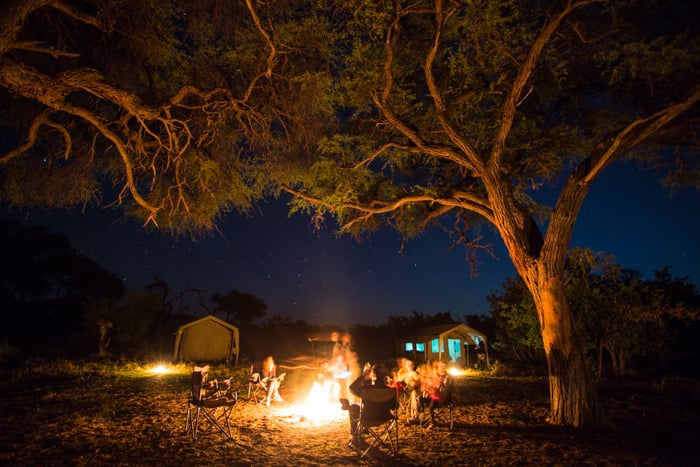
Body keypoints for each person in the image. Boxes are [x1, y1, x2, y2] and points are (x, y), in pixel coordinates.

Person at [342, 363, 393, 449]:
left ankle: (354, 435)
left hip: (368, 418)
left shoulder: (366, 389)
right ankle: (363, 431)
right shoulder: (390, 391)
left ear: (373, 375)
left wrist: (363, 376)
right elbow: (395, 407)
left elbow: (351, 388)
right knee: (356, 407)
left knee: (353, 407)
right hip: (385, 417)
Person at [418, 361, 452, 427]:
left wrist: (434, 389)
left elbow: (444, 390)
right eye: (440, 367)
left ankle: (432, 422)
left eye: (443, 367)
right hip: (433, 395)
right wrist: (427, 390)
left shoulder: (447, 377)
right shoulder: (435, 375)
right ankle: (421, 413)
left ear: (445, 368)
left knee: (432, 400)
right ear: (438, 367)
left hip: (442, 398)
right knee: (420, 397)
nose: (442, 368)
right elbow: (429, 385)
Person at [394, 358, 420, 423]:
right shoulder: (406, 374)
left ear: (413, 366)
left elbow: (418, 380)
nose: (409, 367)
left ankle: (415, 417)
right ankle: (414, 416)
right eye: (407, 365)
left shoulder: (414, 373)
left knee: (415, 400)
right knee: (413, 401)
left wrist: (413, 381)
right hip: (410, 390)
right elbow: (398, 379)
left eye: (410, 365)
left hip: (416, 389)